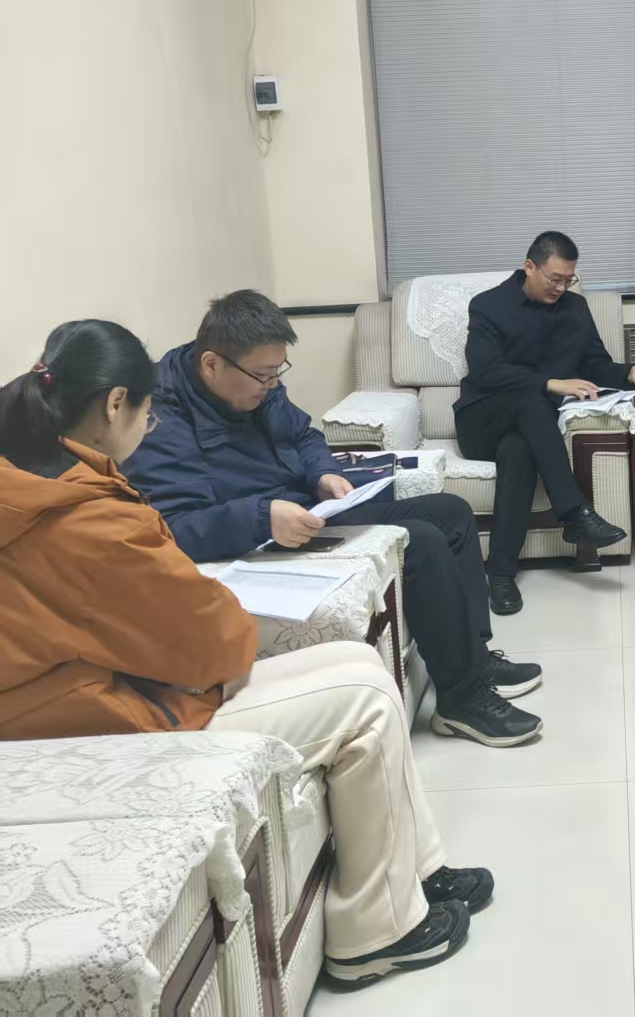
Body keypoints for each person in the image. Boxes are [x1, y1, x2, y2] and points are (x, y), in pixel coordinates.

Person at [0, 320, 492, 988]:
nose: (148, 429)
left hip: (78, 695)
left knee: (358, 663)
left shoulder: (31, 475)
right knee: (367, 700)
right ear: (116, 404)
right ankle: (373, 935)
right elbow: (218, 645)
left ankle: (417, 873)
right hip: (103, 720)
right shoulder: (85, 515)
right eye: (144, 416)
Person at [124, 290, 541, 748]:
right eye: (263, 376)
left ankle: (474, 660)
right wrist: (261, 517)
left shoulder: (253, 379)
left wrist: (322, 473)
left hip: (303, 508)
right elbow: (174, 527)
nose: (271, 385)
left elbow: (304, 435)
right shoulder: (159, 420)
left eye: (278, 372)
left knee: (450, 511)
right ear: (211, 364)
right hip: (259, 534)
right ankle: (461, 701)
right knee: (419, 540)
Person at [454, 231, 635, 616]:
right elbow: (485, 371)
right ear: (530, 267)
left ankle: (500, 574)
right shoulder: (488, 306)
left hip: (529, 428)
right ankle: (574, 513)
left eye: (569, 280)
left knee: (519, 450)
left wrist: (629, 371)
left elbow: (594, 363)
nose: (562, 288)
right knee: (534, 400)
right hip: (481, 420)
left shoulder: (575, 308)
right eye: (555, 279)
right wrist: (550, 383)